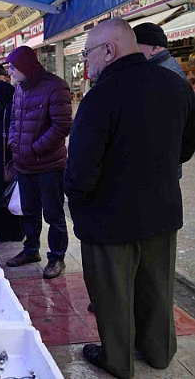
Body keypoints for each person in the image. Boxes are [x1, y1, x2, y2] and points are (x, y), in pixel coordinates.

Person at [65, 19, 195, 379]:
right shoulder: (176, 85)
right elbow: (186, 147)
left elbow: (81, 171)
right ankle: (159, 352)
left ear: (109, 50)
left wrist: (77, 201)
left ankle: (118, 360)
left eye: (87, 53)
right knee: (157, 289)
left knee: (113, 296)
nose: (86, 63)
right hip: (161, 213)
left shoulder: (101, 96)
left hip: (110, 219)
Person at [4, 46, 72, 279]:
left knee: (54, 214)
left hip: (49, 166)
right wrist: (14, 143)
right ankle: (31, 250)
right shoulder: (20, 90)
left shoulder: (55, 86)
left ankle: (57, 257)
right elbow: (14, 120)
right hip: (24, 165)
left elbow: (62, 125)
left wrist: (35, 148)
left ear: (25, 66)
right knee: (29, 211)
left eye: (13, 68)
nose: (10, 72)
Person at [134, 22, 188, 180]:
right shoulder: (166, 67)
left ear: (154, 48)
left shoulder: (163, 74)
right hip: (167, 161)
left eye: (136, 46)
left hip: (161, 165)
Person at [0, 81, 24, 242]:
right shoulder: (0, 111)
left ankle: (10, 232)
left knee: (7, 196)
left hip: (5, 165)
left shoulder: (9, 112)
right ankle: (0, 228)